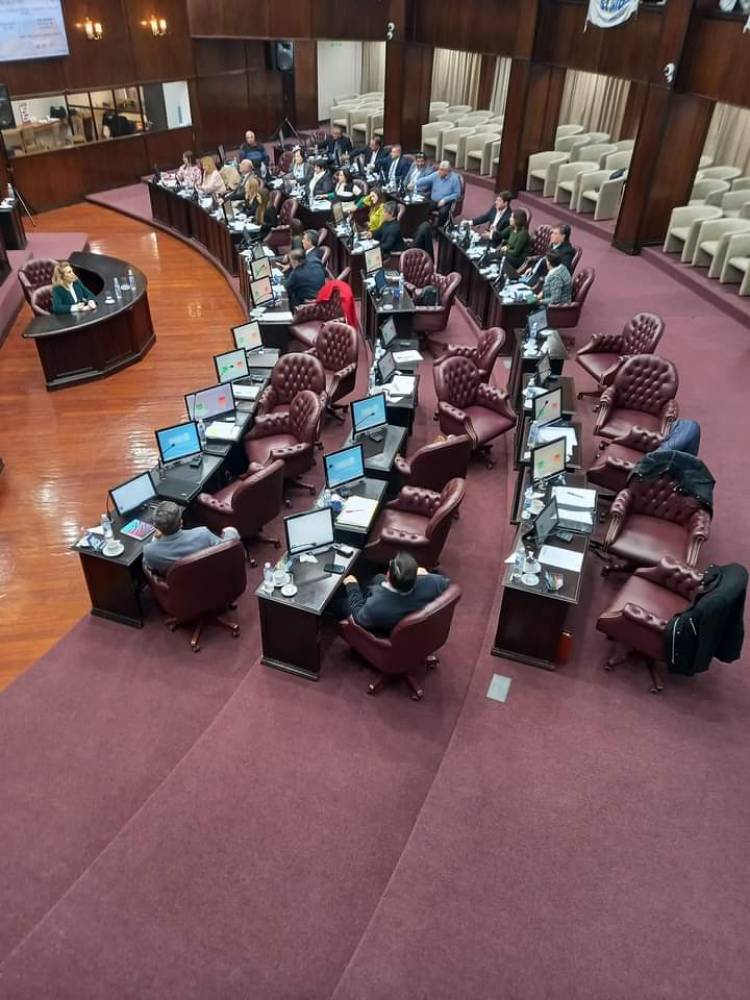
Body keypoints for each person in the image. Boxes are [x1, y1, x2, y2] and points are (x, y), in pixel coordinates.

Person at [341, 552, 450, 637]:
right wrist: (426, 575)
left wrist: (352, 587)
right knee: (378, 578)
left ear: (388, 575)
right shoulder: (434, 582)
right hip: (410, 609)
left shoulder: (375, 607)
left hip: (385, 625)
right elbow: (446, 584)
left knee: (341, 603)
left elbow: (360, 618)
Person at [143, 501, 239, 576]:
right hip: (210, 577)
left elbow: (150, 566)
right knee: (231, 530)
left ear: (156, 526)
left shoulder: (149, 551)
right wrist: (230, 531)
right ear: (181, 522)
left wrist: (155, 540)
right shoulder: (203, 533)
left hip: (181, 589)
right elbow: (225, 548)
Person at [522, 223, 575, 289]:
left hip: (541, 281)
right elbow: (543, 257)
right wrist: (532, 267)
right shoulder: (554, 245)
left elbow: (562, 271)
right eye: (552, 233)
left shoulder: (567, 251)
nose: (551, 235)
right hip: (533, 274)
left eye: (555, 234)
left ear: (563, 236)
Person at [417, 160, 462, 225]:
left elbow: (457, 194)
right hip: (433, 201)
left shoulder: (454, 179)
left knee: (443, 212)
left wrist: (445, 200)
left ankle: (439, 229)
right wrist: (415, 183)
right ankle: (425, 224)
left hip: (446, 203)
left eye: (441, 170)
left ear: (447, 171)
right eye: (439, 169)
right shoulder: (436, 174)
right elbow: (426, 180)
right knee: (422, 206)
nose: (439, 171)